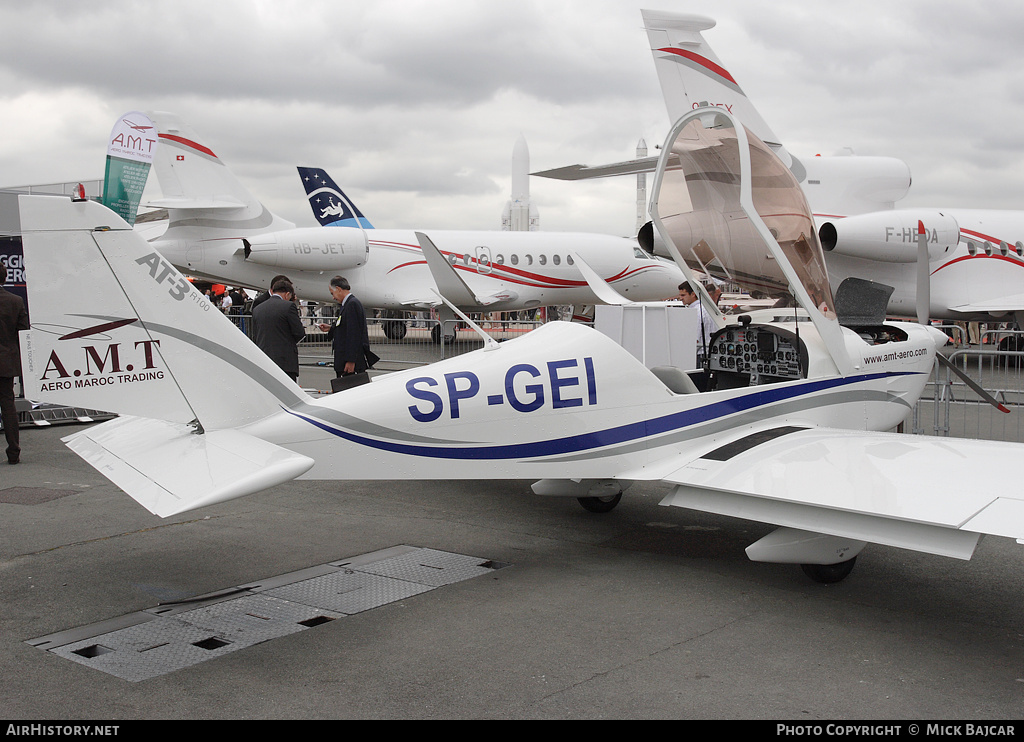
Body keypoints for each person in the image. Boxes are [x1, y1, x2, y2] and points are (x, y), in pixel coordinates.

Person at [318, 275, 373, 377]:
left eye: (332, 293)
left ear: (338, 289)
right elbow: (346, 326)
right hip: (345, 359)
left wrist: (351, 360)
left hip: (349, 362)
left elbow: (354, 334)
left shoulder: (352, 304)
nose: (333, 297)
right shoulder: (348, 304)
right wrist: (331, 328)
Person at [252, 279, 305, 381]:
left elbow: (256, 333)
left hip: (264, 358)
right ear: (287, 294)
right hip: (285, 359)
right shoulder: (288, 306)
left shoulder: (258, 309)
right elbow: (299, 333)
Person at [0, 285, 29, 464]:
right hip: (6, 360)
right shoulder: (15, 301)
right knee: (8, 405)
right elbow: (23, 332)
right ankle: (13, 452)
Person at [677, 283, 714, 391]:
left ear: (693, 294)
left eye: (683, 295)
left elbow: (694, 338)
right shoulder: (707, 309)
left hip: (699, 355)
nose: (680, 298)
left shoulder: (696, 312)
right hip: (708, 354)